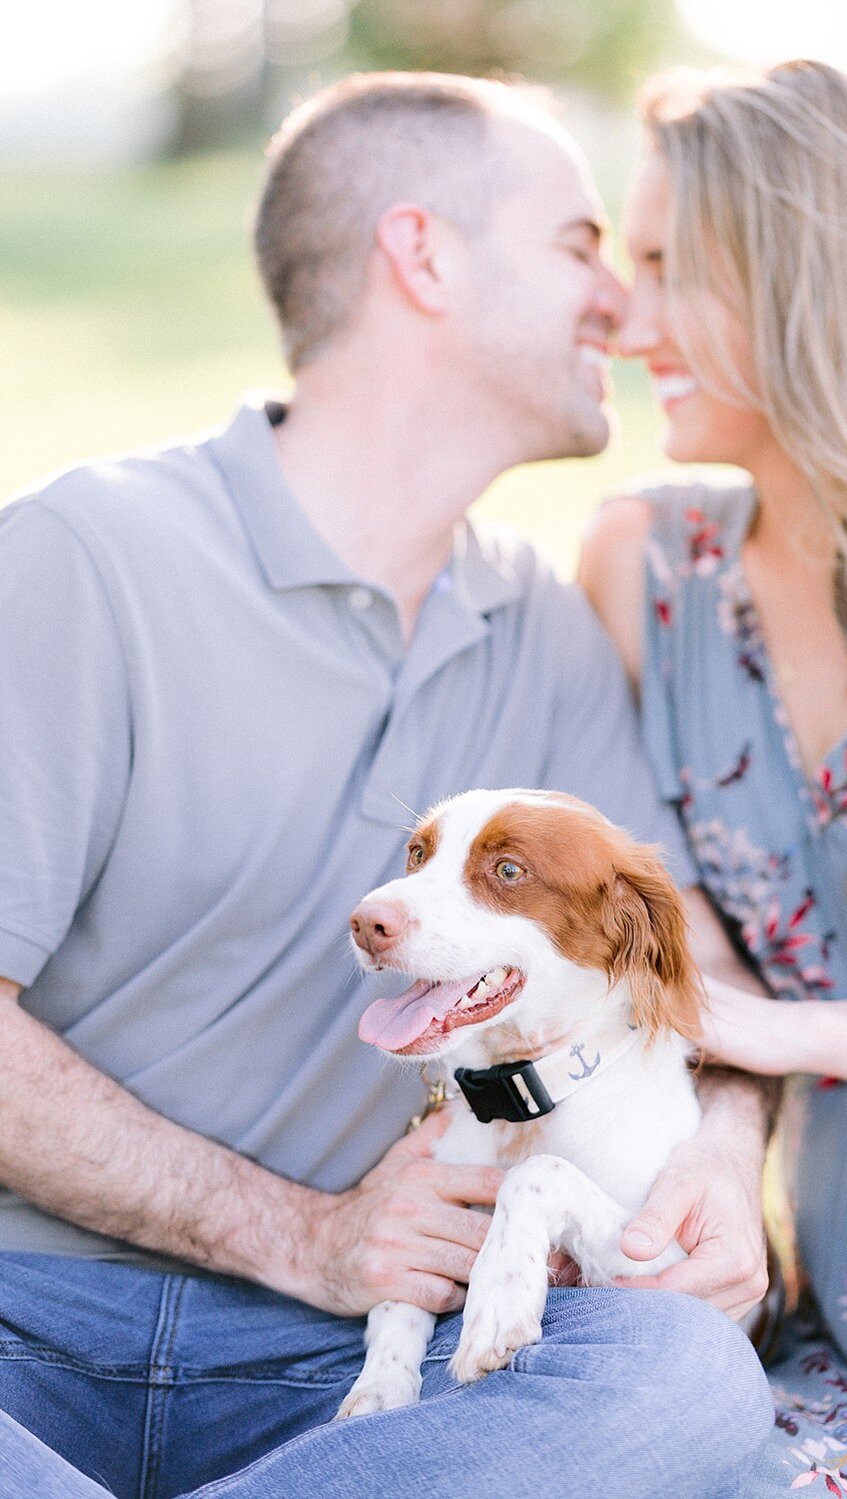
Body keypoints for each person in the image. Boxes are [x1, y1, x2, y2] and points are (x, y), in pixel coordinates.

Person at [0, 73, 773, 1498]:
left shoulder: (544, 633)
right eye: (577, 244)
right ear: (422, 254)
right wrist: (297, 1233)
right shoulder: (82, 559)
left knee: (687, 1385)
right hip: (26, 1322)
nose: (622, 301)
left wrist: (720, 1157)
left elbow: (686, 970)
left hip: (348, 1364)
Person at [580, 58, 847, 1498]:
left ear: (803, 276)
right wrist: (721, 1128)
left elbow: (741, 1011)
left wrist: (773, 1033)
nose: (622, 320)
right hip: (825, 1307)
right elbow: (683, 965)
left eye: (665, 267)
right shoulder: (649, 570)